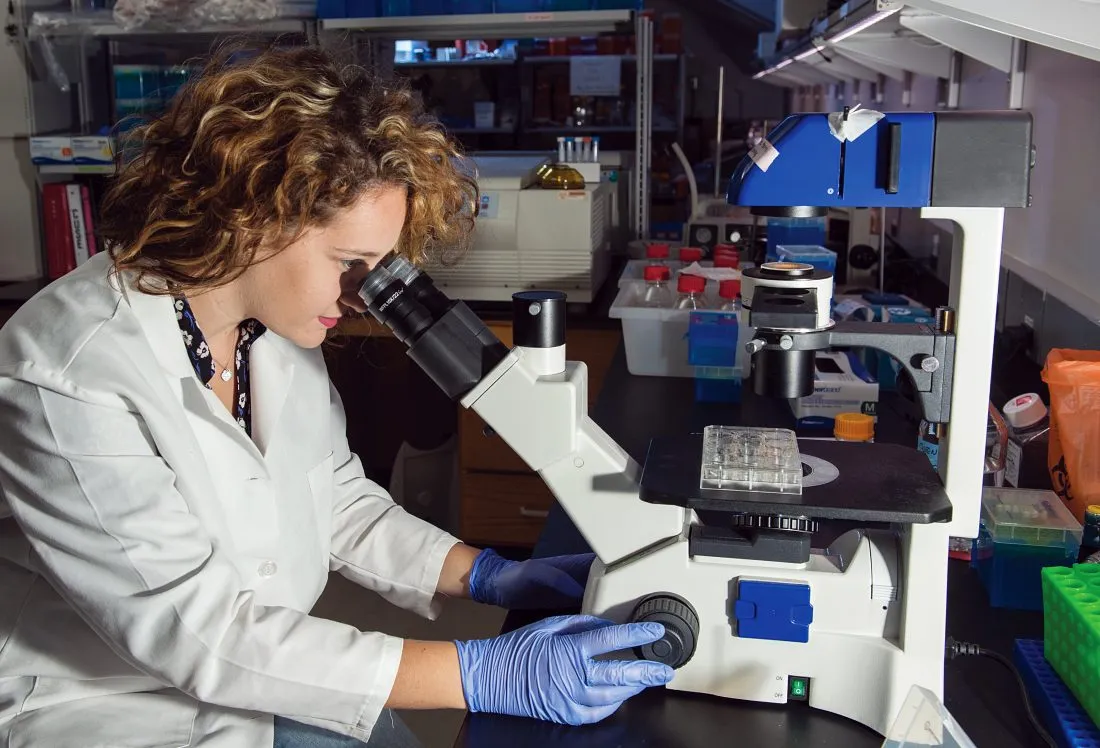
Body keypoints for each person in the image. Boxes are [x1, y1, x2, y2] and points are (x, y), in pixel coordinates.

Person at [0, 45, 673, 748]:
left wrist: (489, 575)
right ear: (256, 212)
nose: (364, 298)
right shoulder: (66, 370)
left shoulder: (271, 330)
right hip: (103, 707)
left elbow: (338, 505)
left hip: (265, 675)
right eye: (350, 264)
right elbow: (196, 635)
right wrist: (482, 674)